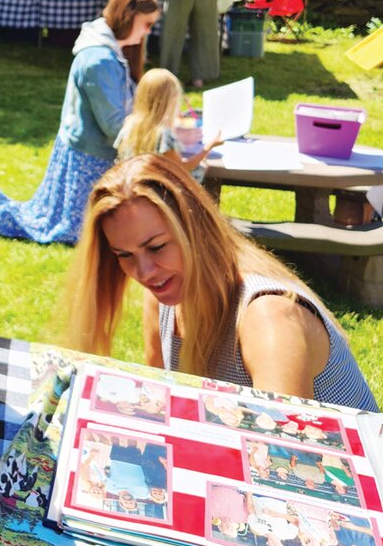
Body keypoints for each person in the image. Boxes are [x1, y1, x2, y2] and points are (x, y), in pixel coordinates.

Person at [68, 152, 377, 408]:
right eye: (125, 255)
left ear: (196, 226)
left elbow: (285, 458)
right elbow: (164, 405)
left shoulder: (269, 318)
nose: (145, 272)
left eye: (157, 246)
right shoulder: (163, 293)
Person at [0, 0, 159, 245]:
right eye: (147, 24)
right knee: (75, 232)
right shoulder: (98, 60)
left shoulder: (109, 52)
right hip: (89, 158)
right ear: (128, 16)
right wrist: (155, 132)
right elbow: (113, 125)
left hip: (91, 152)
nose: (148, 31)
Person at [114, 68, 220, 179]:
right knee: (202, 169)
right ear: (170, 99)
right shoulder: (163, 133)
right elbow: (181, 168)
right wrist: (208, 148)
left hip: (132, 186)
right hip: (159, 191)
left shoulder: (129, 125)